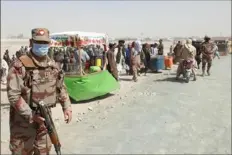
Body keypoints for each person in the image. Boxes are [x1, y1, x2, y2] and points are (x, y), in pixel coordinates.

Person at [7, 28, 72, 155]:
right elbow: (13, 96)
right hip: (23, 124)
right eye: (39, 42)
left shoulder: (52, 65)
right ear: (31, 42)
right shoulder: (19, 66)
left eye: (45, 43)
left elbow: (60, 87)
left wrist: (67, 106)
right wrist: (31, 116)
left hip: (45, 121)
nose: (42, 46)